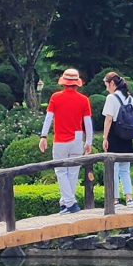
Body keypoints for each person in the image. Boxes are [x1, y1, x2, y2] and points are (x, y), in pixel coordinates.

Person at [39, 68, 93, 213]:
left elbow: (48, 118)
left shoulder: (56, 97)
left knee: (61, 171)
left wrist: (43, 136)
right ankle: (64, 203)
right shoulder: (84, 100)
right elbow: (88, 123)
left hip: (60, 140)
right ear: (77, 83)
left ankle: (70, 203)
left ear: (63, 83)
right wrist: (89, 142)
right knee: (73, 172)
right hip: (77, 140)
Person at [100, 71, 133, 208]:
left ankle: (115, 200)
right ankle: (129, 198)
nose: (106, 88)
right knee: (125, 169)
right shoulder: (130, 98)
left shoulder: (111, 98)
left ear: (112, 83)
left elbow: (108, 119)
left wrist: (105, 137)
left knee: (113, 168)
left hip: (115, 135)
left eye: (107, 84)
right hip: (127, 135)